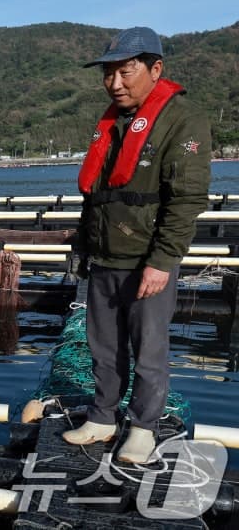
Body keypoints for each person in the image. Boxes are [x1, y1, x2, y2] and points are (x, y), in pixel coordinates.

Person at [63, 27, 211, 463]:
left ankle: (144, 428)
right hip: (104, 256)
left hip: (147, 259)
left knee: (149, 349)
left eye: (125, 72)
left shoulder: (183, 119)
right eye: (108, 74)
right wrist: (82, 248)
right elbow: (95, 195)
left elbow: (186, 200)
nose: (114, 83)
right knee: (102, 346)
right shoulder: (112, 121)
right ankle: (102, 417)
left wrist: (163, 261)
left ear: (155, 68)